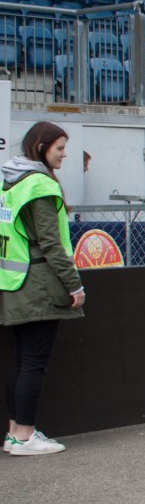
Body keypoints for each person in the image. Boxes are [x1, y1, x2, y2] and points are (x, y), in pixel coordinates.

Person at [1, 122, 86, 456]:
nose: (64, 155)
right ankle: (25, 435)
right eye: (60, 148)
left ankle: (15, 433)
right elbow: (52, 243)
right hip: (38, 283)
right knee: (34, 362)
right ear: (41, 147)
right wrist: (74, 284)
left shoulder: (10, 180)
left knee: (22, 360)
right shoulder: (39, 184)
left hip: (15, 282)